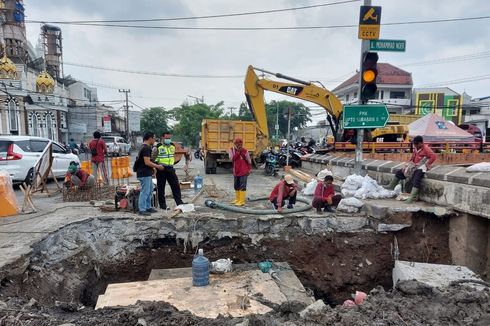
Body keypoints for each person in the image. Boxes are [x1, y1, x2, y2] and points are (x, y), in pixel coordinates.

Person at [387, 135, 436, 203]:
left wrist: (427, 164)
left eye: (416, 144)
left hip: (421, 167)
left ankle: (412, 197)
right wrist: (407, 165)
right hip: (413, 166)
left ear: (421, 143)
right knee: (399, 172)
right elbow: (412, 157)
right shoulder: (416, 149)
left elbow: (433, 157)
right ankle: (391, 186)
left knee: (416, 179)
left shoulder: (426, 149)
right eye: (414, 144)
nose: (415, 145)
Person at [152, 131, 187, 210]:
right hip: (161, 169)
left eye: (169, 138)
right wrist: (155, 168)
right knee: (161, 187)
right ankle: (162, 204)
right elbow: (153, 158)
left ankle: (179, 202)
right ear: (162, 138)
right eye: (167, 138)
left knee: (176, 186)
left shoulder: (172, 146)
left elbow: (174, 157)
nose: (168, 140)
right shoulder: (157, 147)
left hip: (170, 168)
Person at [136, 132, 164, 216]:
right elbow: (147, 162)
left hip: (146, 172)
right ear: (150, 138)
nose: (154, 140)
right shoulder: (146, 148)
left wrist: (153, 168)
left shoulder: (146, 147)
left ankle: (148, 207)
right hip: (144, 173)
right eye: (154, 138)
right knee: (145, 191)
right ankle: (142, 209)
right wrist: (157, 166)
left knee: (150, 190)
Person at [228, 137, 252, 206]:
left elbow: (249, 161)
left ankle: (242, 201)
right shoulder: (231, 150)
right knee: (236, 185)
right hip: (236, 171)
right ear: (234, 144)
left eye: (240, 144)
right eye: (237, 144)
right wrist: (238, 152)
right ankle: (237, 199)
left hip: (244, 171)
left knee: (242, 185)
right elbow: (232, 159)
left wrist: (249, 169)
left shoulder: (245, 151)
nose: (239, 145)